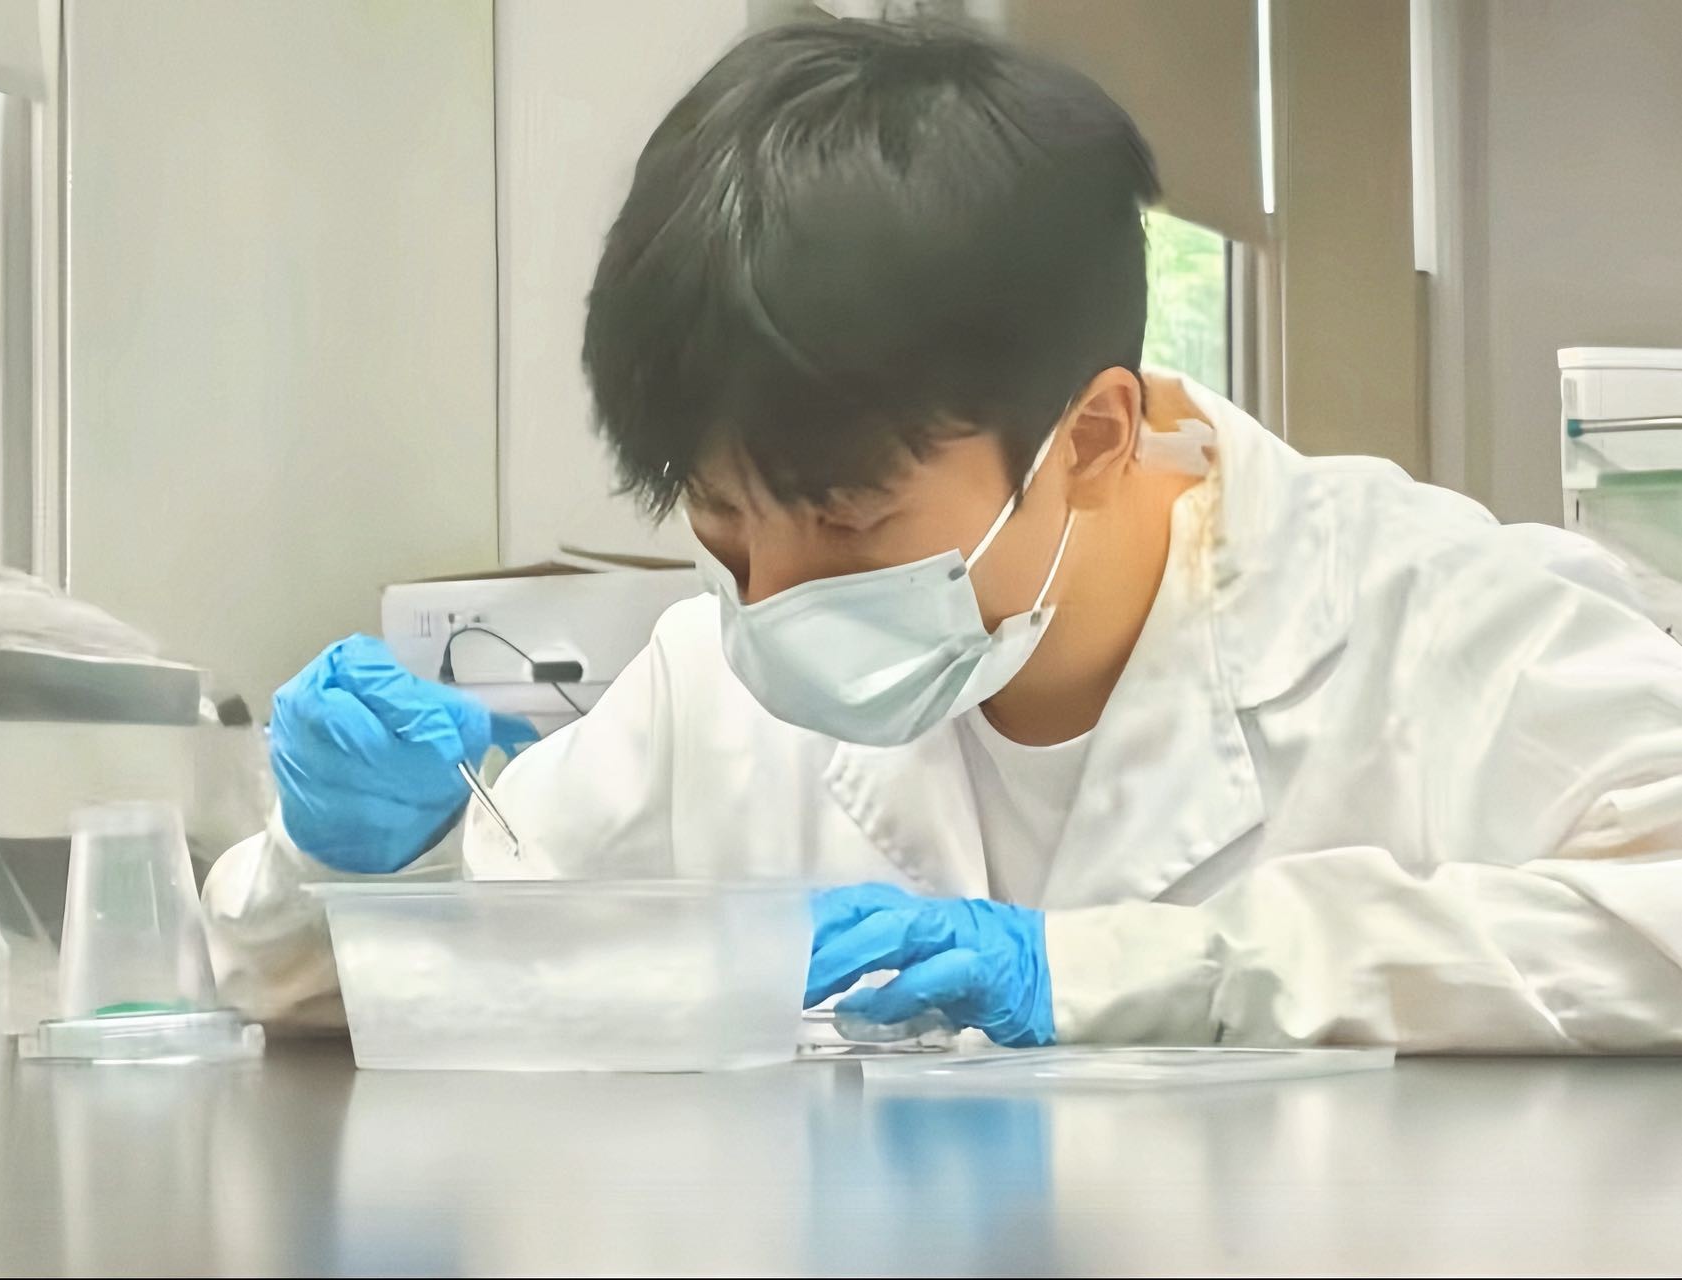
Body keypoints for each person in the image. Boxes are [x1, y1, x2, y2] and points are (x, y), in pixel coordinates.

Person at [205, 20, 1682, 1049]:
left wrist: (1143, 971)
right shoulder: (713, 691)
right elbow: (337, 986)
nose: (773, 608)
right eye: (723, 531)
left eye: (849, 523)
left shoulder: (1436, 619)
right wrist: (363, 859)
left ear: (1091, 437)